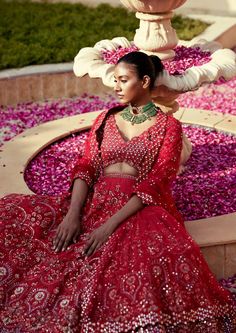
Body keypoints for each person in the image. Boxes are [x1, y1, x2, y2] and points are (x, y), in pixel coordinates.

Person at [0, 51, 235, 333]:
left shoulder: (168, 127)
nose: (116, 87)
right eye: (115, 80)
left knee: (135, 269)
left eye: (123, 80)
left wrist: (108, 227)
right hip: (94, 204)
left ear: (145, 81)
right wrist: (73, 215)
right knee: (15, 218)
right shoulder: (105, 120)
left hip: (140, 208)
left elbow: (157, 182)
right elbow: (85, 167)